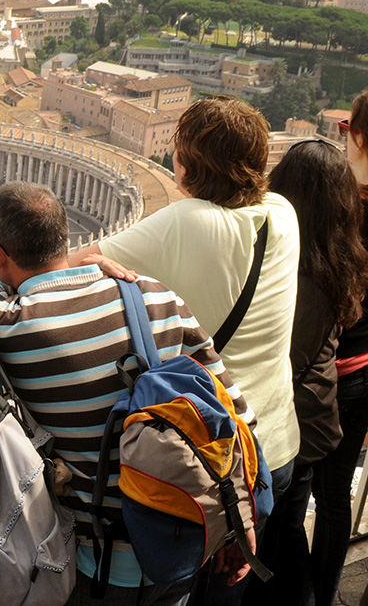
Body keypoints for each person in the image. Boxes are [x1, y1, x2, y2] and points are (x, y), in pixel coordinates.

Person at [0, 182, 253, 606]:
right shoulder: (157, 296)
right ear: (64, 239)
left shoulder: (8, 325)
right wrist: (239, 523)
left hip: (99, 564)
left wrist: (57, 265)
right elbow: (235, 416)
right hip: (183, 540)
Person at [71, 97, 300, 601]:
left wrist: (96, 263)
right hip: (274, 448)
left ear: (187, 165)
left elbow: (61, 267)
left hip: (212, 456)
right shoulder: (282, 214)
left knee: (183, 586)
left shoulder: (185, 222)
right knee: (229, 590)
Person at [241, 139, 368, 605]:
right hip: (329, 401)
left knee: (280, 531)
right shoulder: (344, 256)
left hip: (295, 416)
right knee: (309, 516)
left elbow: (287, 358)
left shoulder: (292, 266)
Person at [300, 92, 368, 606]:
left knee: (302, 491)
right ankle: (322, 596)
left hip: (332, 373)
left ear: (358, 136)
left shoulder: (344, 208)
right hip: (366, 370)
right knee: (336, 495)